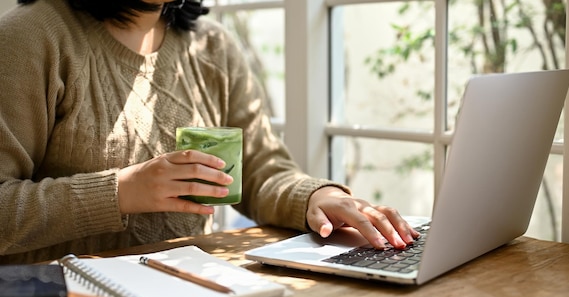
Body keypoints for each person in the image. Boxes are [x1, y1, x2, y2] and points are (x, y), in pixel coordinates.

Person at [0, 0, 419, 264]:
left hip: (190, 289)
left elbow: (260, 172)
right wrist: (119, 191)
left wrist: (317, 196)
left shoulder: (212, 47)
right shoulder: (31, 36)